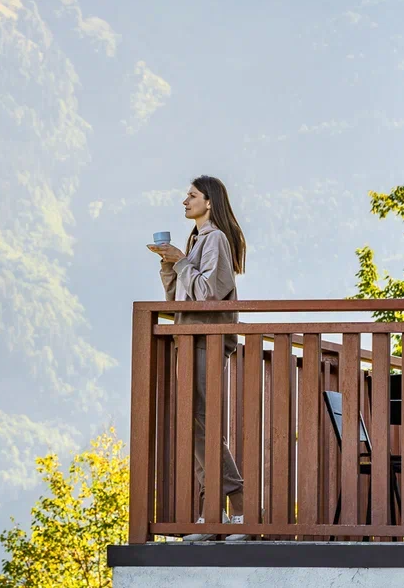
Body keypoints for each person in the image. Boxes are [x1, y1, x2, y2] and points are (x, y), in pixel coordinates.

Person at [148, 175, 249, 542]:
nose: (185, 201)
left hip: (206, 339)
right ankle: (213, 515)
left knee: (202, 423)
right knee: (196, 425)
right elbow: (180, 296)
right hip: (189, 339)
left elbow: (208, 293)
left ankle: (241, 506)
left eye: (191, 195)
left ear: (209, 201)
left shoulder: (215, 239)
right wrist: (169, 264)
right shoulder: (196, 240)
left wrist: (180, 262)